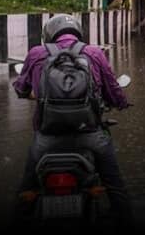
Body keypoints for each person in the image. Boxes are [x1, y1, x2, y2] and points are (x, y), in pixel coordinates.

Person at [13, 14, 133, 226]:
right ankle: (124, 221)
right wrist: (122, 104)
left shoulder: (37, 53)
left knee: (26, 190)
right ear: (78, 33)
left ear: (49, 35)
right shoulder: (94, 53)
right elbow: (113, 89)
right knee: (115, 187)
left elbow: (21, 88)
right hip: (91, 136)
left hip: (46, 139)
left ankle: (19, 217)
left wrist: (35, 93)